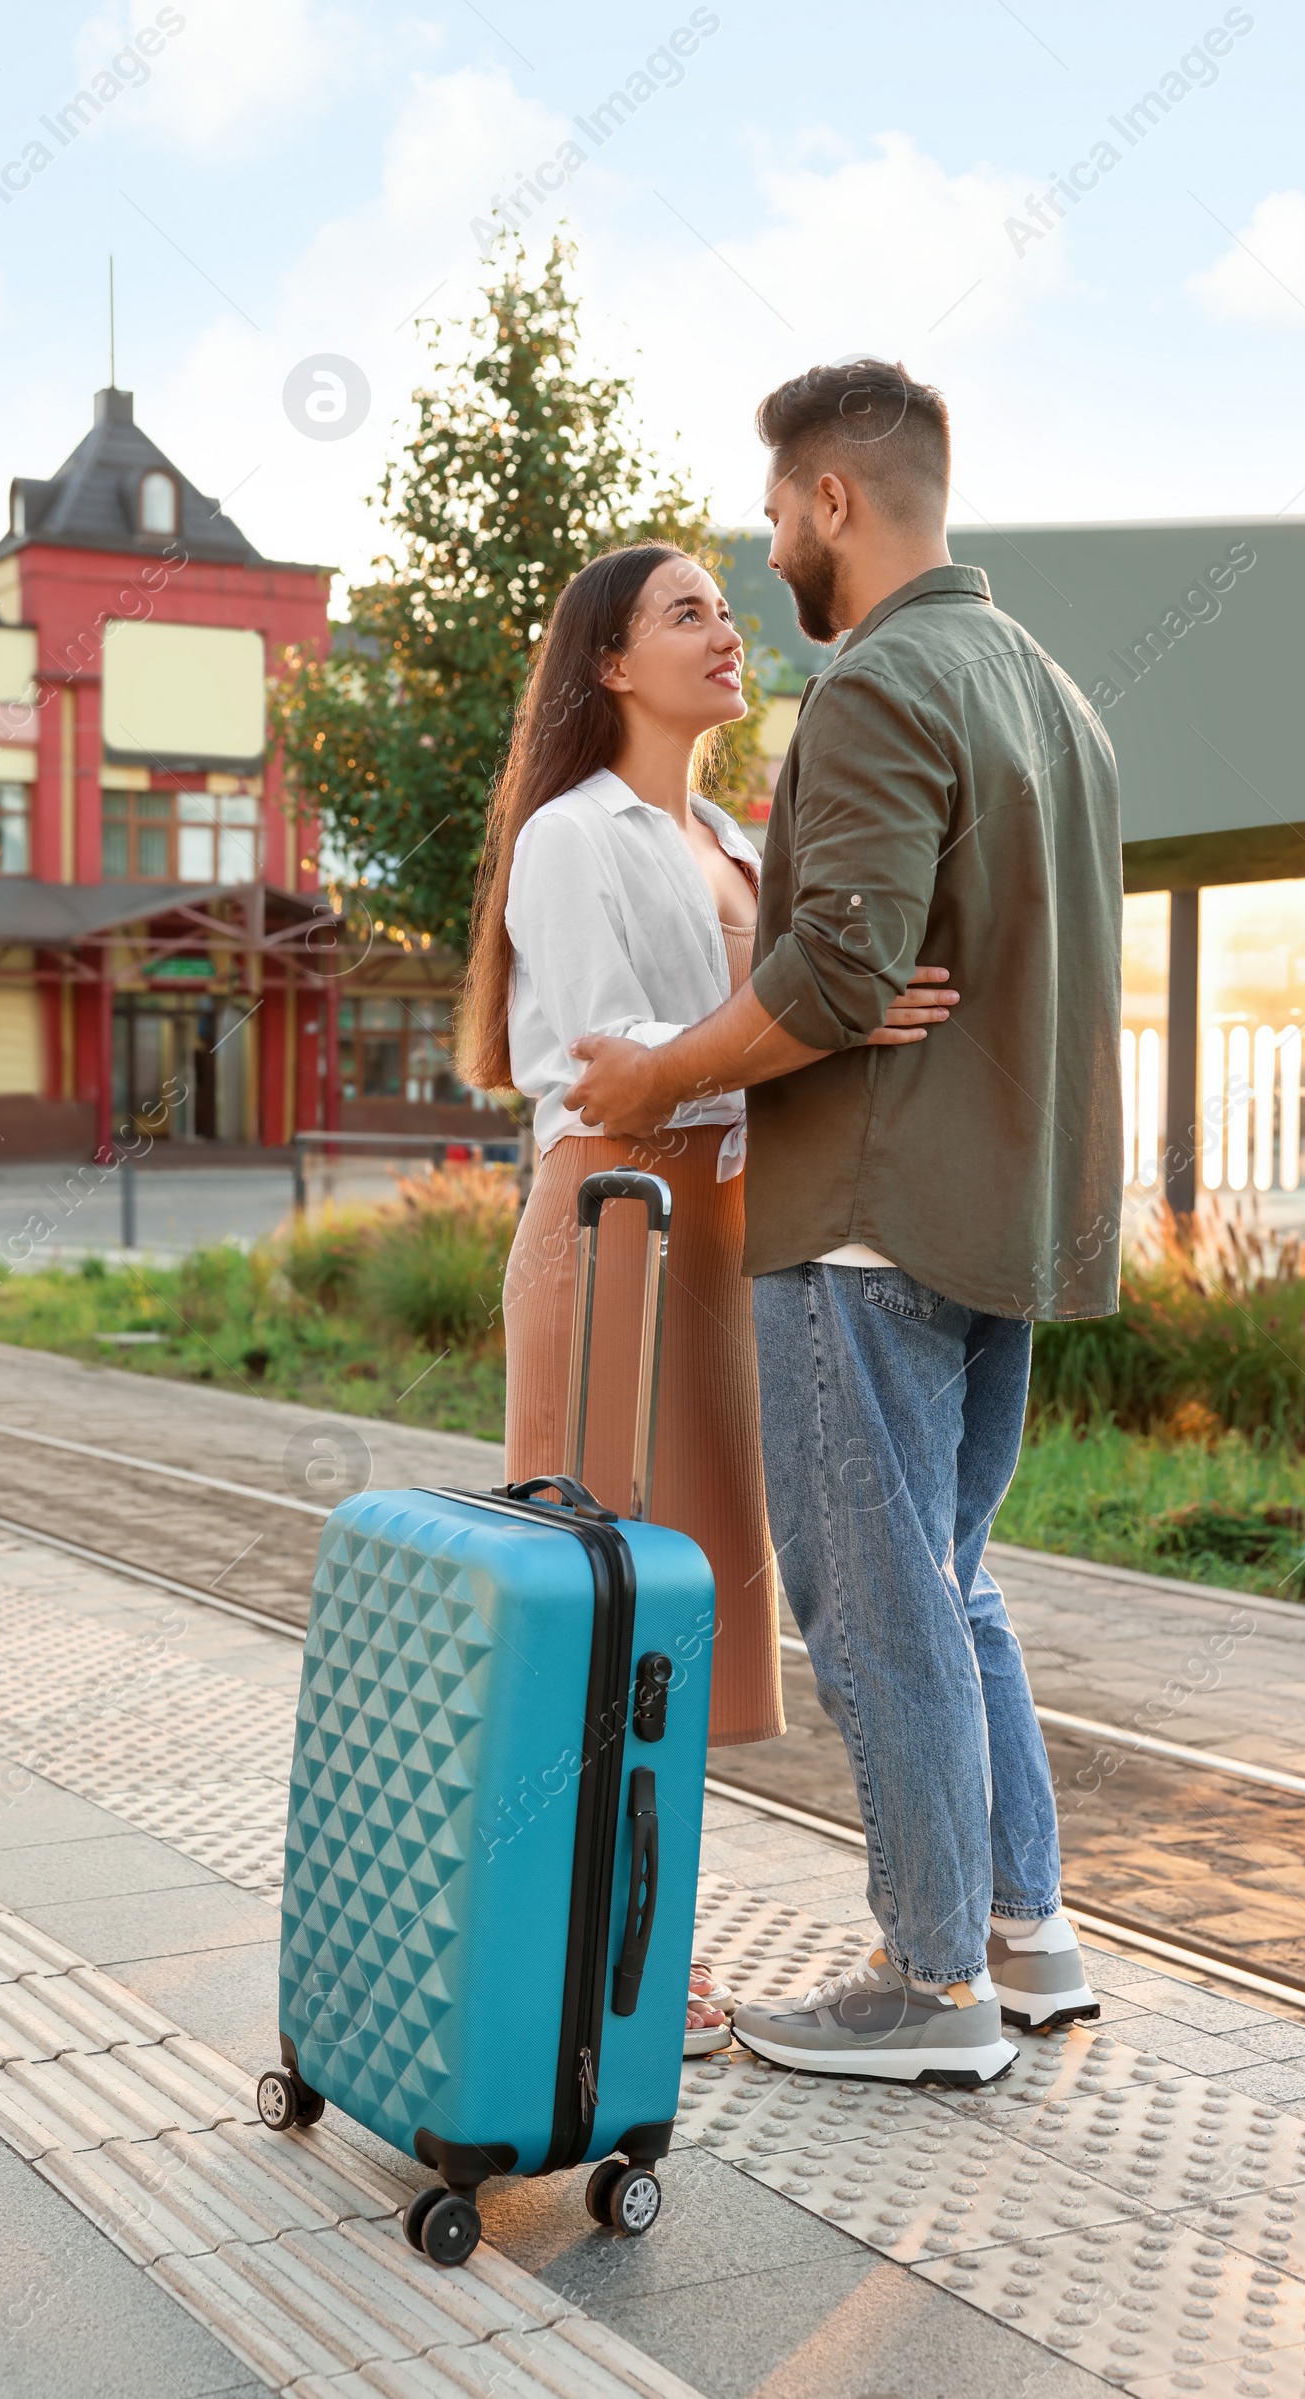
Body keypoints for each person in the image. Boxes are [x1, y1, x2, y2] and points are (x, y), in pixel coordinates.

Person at [564, 361, 1124, 2086]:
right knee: (952, 1588)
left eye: (778, 514)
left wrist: (656, 1080)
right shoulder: (1058, 697)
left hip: (872, 1217)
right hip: (1010, 1218)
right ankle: (1025, 1934)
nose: (770, 559)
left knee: (876, 1604)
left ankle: (926, 1984)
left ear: (831, 501)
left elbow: (844, 970)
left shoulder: (881, 684)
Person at [456, 539, 957, 2057]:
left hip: (722, 1244)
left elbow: (740, 1037)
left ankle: (630, 1947)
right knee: (608, 1607)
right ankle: (598, 1966)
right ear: (609, 663)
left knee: (682, 1615)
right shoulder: (571, 835)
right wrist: (834, 1029)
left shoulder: (731, 836)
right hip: (615, 1231)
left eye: (725, 611)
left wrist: (821, 1026)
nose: (726, 632)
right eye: (687, 614)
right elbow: (621, 1058)